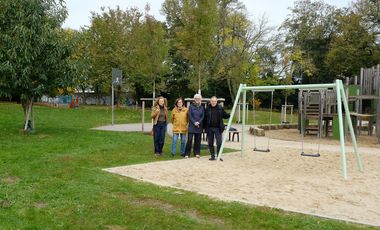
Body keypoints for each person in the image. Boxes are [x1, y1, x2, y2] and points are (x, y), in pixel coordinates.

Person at [204, 96, 230, 161]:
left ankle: (219, 155)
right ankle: (212, 156)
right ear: (210, 101)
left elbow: (225, 115)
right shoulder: (207, 108)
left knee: (219, 142)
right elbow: (205, 119)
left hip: (218, 128)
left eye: (215, 101)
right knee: (210, 143)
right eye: (212, 101)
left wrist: (230, 114)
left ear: (216, 101)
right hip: (209, 128)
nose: (213, 102)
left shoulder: (220, 108)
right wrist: (204, 128)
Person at [184, 94, 204, 158]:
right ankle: (187, 154)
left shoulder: (202, 107)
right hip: (192, 126)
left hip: (199, 126)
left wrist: (199, 122)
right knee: (189, 140)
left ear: (200, 99)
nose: (197, 100)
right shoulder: (191, 106)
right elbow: (190, 115)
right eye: (196, 98)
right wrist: (194, 122)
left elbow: (203, 116)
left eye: (198, 98)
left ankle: (197, 153)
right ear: (194, 99)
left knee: (198, 140)